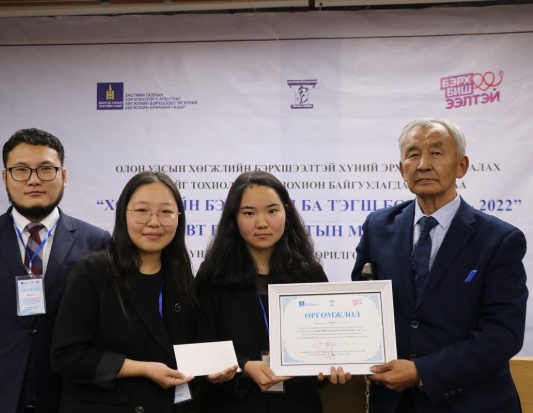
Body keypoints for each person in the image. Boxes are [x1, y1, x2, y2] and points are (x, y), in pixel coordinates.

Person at [0, 128, 111, 413]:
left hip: (68, 396)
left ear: (63, 176)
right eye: (21, 170)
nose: (34, 180)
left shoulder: (96, 242)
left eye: (46, 169)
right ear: (5, 178)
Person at [351, 118, 528, 412]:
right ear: (402, 169)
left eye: (436, 152)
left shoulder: (499, 240)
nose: (423, 164)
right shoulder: (378, 227)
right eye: (413, 154)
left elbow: (503, 334)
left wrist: (422, 372)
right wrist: (347, 356)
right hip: (394, 403)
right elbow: (361, 306)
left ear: (461, 166)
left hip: (471, 402)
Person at [195, 170, 350, 413]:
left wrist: (332, 367)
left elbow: (326, 345)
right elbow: (200, 345)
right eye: (249, 213)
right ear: (234, 218)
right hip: (232, 404)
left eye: (272, 211)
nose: (262, 223)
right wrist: (245, 367)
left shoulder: (309, 274)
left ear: (286, 212)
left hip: (297, 404)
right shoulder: (212, 276)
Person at [51, 171, 198, 413]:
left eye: (166, 211)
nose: (154, 221)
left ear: (179, 218)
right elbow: (67, 357)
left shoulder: (181, 277)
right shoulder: (93, 271)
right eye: (142, 210)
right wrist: (143, 368)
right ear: (123, 214)